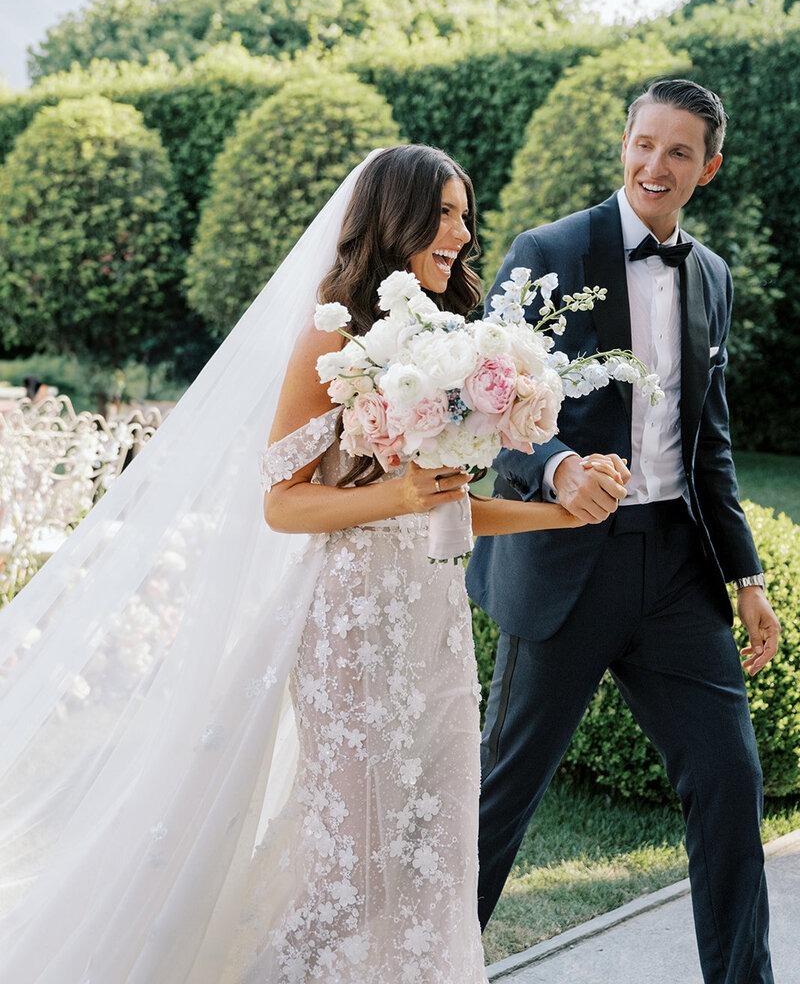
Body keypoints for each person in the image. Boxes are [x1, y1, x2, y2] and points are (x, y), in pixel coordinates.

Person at [0, 144, 622, 983]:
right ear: (394, 220)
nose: (462, 234)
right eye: (442, 214)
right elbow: (282, 501)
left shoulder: (453, 343)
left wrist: (558, 512)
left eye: (463, 214)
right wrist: (397, 499)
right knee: (351, 867)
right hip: (349, 627)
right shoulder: (328, 343)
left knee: (429, 850)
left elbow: (441, 500)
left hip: (433, 632)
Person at [467, 79, 782, 984]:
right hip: (566, 567)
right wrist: (561, 466)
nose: (657, 164)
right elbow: (484, 402)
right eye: (646, 143)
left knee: (729, 784)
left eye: (680, 152)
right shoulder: (547, 250)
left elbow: (708, 440)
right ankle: (430, 968)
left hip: (677, 573)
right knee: (503, 799)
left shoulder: (712, 275)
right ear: (624, 143)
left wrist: (745, 578)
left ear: (707, 169)